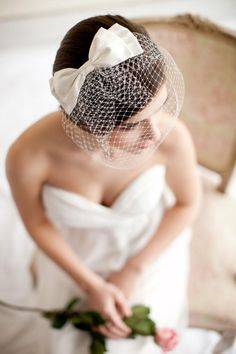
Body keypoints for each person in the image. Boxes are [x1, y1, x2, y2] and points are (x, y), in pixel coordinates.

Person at [5, 14, 201, 354]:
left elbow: (186, 204)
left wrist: (134, 269)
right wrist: (90, 285)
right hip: (73, 258)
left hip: (149, 249)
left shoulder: (172, 139)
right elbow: (36, 221)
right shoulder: (28, 155)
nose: (156, 133)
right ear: (89, 118)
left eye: (159, 109)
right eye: (133, 125)